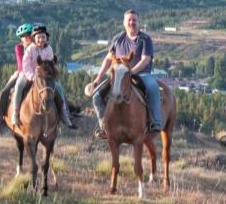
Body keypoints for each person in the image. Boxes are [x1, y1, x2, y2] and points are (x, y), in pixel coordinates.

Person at [91, 9, 161, 139]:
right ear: (124, 23)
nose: (132, 22)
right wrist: (99, 77)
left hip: (141, 74)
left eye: (134, 20)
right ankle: (103, 126)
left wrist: (131, 72)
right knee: (96, 96)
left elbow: (145, 60)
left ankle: (154, 122)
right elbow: (108, 59)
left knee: (152, 88)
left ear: (139, 22)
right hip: (118, 75)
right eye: (129, 19)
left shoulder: (145, 39)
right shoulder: (118, 39)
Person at [12, 25, 76, 129]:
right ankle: (15, 113)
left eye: (43, 37)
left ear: (46, 38)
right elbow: (26, 65)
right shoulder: (30, 49)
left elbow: (50, 65)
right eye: (39, 37)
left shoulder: (49, 49)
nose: (41, 40)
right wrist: (32, 77)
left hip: (44, 77)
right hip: (29, 75)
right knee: (18, 86)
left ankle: (64, 115)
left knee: (59, 89)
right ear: (34, 38)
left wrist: (48, 75)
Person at [0, 22, 34, 132]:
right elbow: (21, 64)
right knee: (5, 92)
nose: (26, 38)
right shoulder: (19, 48)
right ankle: (0, 118)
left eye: (28, 35)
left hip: (37, 74)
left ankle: (64, 112)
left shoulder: (37, 47)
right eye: (23, 36)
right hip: (22, 73)